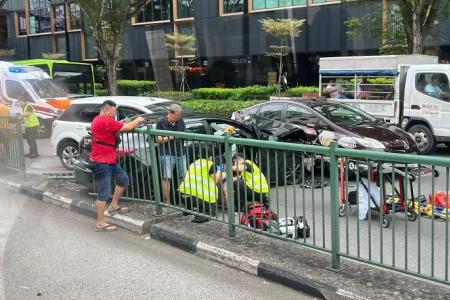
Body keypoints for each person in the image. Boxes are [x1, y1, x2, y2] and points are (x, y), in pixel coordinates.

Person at [90, 100, 144, 232]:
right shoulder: (104, 121)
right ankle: (100, 222)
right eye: (113, 112)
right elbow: (127, 128)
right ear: (107, 110)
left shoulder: (100, 119)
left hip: (109, 160)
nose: (114, 115)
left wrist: (121, 123)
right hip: (102, 162)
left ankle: (113, 205)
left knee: (123, 180)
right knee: (103, 193)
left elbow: (116, 126)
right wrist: (138, 120)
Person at [156, 104, 187, 203]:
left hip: (180, 152)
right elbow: (159, 139)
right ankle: (167, 201)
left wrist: (170, 137)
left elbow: (184, 133)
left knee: (183, 176)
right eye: (177, 116)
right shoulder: (161, 122)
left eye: (179, 116)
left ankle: (183, 199)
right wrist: (173, 136)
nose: (178, 118)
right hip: (166, 153)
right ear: (170, 113)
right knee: (166, 177)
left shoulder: (180, 121)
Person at [179, 157, 220, 223]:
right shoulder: (210, 164)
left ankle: (188, 210)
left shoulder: (193, 163)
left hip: (183, 195)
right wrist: (218, 172)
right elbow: (216, 180)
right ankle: (204, 215)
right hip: (198, 198)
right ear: (210, 157)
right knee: (211, 205)